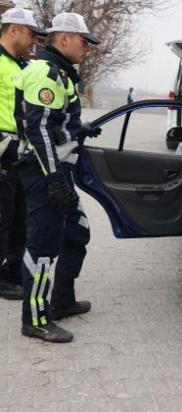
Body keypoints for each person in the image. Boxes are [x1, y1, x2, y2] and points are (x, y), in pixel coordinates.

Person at [14, 12, 101, 343]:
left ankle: (61, 300)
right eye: (84, 42)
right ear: (63, 38)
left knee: (76, 233)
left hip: (56, 170)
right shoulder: (45, 72)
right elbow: (38, 130)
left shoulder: (62, 74)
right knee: (43, 246)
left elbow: (56, 122)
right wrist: (53, 178)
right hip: (43, 171)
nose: (87, 49)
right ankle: (35, 319)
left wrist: (81, 129)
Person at [0, 6, 46, 301]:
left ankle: (13, 271)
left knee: (19, 217)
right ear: (13, 29)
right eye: (30, 33)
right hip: (2, 151)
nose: (33, 40)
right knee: (4, 217)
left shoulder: (20, 65)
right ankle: (4, 278)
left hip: (19, 152)